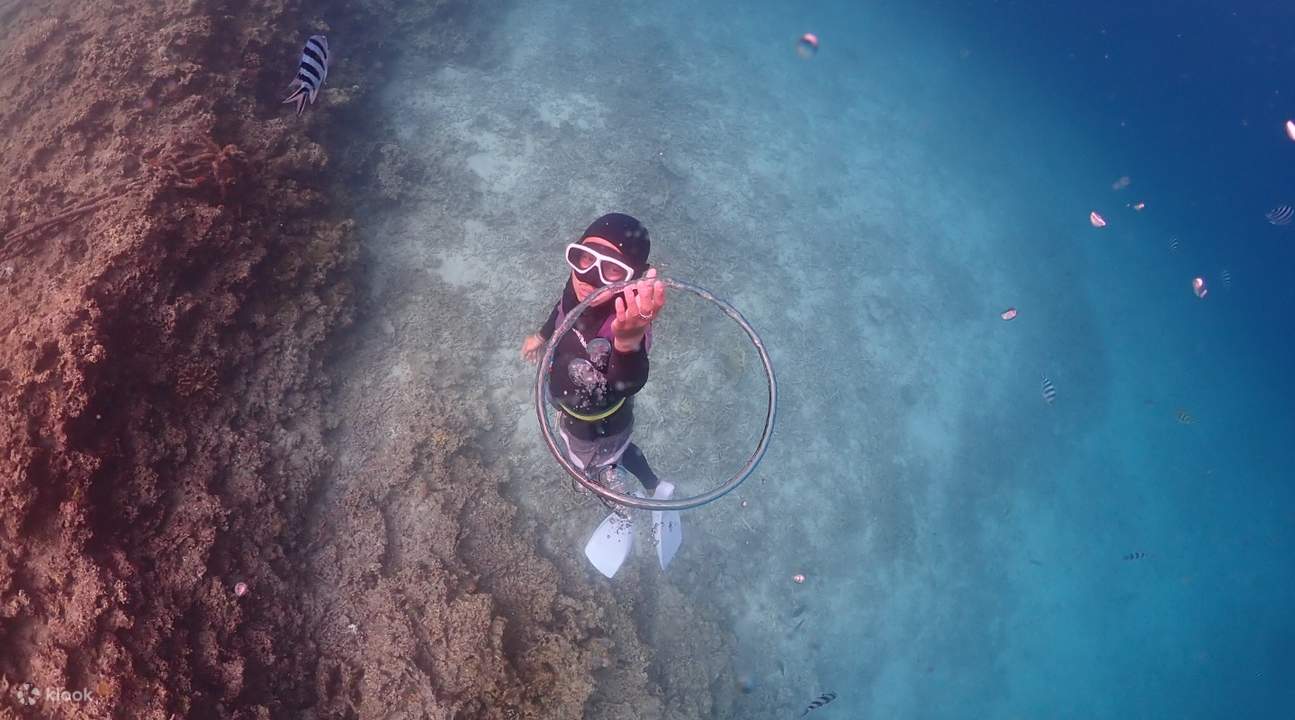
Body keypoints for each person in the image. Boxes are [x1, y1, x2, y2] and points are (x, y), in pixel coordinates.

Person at [522, 213, 681, 578]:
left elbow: (630, 381)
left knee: (590, 471)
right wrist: (542, 336)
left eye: (611, 271)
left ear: (635, 278)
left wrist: (627, 342)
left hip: (596, 424)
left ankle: (623, 511)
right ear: (576, 255)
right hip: (595, 419)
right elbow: (562, 311)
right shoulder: (577, 285)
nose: (590, 278)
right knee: (620, 454)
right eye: (585, 258)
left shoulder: (625, 324)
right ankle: (657, 487)